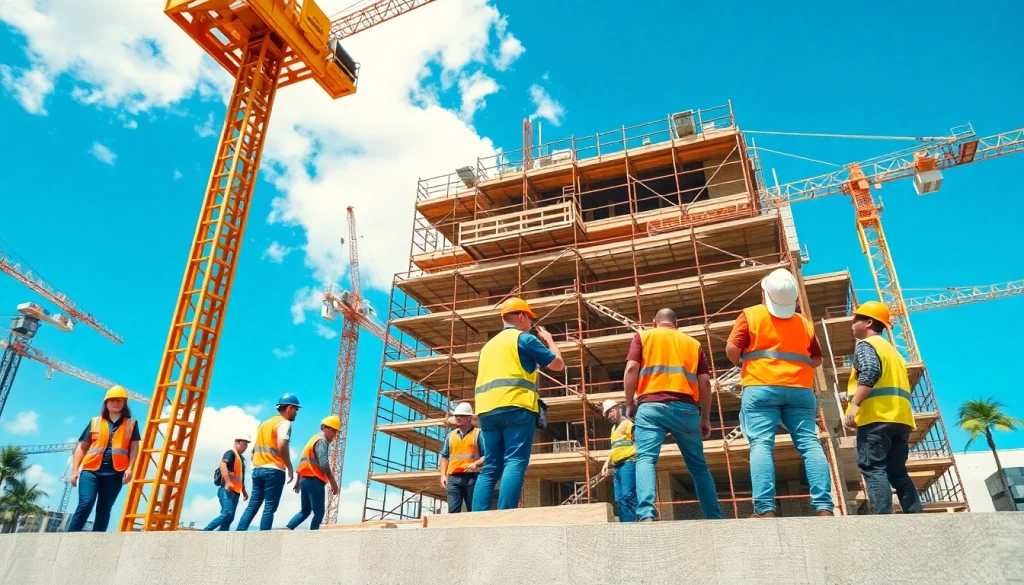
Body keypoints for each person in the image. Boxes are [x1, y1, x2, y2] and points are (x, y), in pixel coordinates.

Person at [726, 268, 834, 518]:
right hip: (800, 390)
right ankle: (824, 508)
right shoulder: (804, 323)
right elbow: (816, 359)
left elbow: (732, 349)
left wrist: (747, 363)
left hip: (760, 386)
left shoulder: (751, 315)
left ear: (765, 293)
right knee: (809, 443)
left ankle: (765, 510)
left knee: (761, 445)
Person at [625, 308, 722, 521]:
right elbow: (705, 382)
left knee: (646, 460)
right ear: (676, 324)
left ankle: (646, 515)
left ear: (654, 322)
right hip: (686, 410)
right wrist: (705, 417)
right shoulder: (692, 344)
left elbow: (632, 368)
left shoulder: (643, 336)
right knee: (698, 466)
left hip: (650, 408)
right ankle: (714, 518)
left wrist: (629, 402)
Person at [472, 297, 564, 512]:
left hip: (486, 410)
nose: (531, 324)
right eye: (530, 319)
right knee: (515, 461)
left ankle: (476, 516)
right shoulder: (524, 339)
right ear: (521, 317)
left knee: (492, 465)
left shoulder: (487, 346)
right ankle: (505, 515)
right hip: (516, 406)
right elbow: (558, 365)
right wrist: (549, 339)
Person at [844, 301, 922, 514]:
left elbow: (869, 373)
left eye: (855, 320)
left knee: (873, 468)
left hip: (876, 417)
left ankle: (883, 521)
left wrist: (854, 404)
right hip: (901, 419)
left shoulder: (867, 345)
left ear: (868, 322)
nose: (852, 325)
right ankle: (916, 516)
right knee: (897, 472)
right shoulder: (894, 352)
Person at [67, 386, 141, 532]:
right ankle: (69, 537)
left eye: (120, 401)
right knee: (86, 503)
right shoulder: (95, 422)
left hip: (115, 472)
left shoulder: (131, 424)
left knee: (104, 508)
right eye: (112, 400)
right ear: (106, 403)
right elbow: (81, 448)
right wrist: (75, 470)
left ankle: (97, 543)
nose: (116, 403)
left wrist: (130, 468)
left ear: (124, 403)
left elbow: (134, 447)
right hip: (91, 471)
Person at [236, 393, 299, 530]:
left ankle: (239, 533)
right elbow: (282, 444)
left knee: (253, 504)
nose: (296, 413)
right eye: (295, 409)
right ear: (289, 408)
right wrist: (289, 466)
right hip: (274, 470)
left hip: (257, 469)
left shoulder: (264, 424)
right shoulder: (284, 423)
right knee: (270, 507)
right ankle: (264, 539)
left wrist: (255, 465)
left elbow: (254, 450)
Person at [287, 415, 341, 530]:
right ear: (325, 428)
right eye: (333, 431)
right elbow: (324, 465)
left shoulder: (312, 439)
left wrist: (298, 483)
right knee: (319, 513)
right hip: (314, 480)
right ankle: (313, 538)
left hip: (305, 480)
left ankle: (287, 530)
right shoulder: (322, 441)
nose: (335, 434)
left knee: (305, 511)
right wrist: (333, 482)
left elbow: (303, 463)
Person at [440, 402, 485, 513]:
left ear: (469, 418)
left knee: (474, 511)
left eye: (461, 415)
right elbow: (444, 456)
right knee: (453, 513)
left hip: (472, 477)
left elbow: (487, 455)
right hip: (453, 478)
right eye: (456, 416)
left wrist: (476, 464)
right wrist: (442, 475)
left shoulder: (478, 434)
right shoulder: (451, 435)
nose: (458, 418)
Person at [204, 433, 251, 531]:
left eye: (247, 444)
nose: (246, 446)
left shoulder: (241, 459)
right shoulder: (230, 453)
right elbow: (223, 465)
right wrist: (228, 482)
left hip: (236, 491)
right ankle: (206, 531)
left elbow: (240, 476)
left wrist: (244, 490)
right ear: (237, 442)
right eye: (244, 443)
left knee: (230, 518)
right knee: (227, 513)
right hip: (226, 489)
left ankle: (221, 535)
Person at [600, 399, 637, 522]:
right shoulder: (613, 429)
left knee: (628, 496)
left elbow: (638, 441)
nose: (608, 417)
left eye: (609, 413)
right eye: (606, 415)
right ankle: (625, 526)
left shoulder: (628, 424)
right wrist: (606, 463)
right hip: (617, 467)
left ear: (616, 408)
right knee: (619, 499)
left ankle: (631, 526)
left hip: (628, 463)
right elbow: (614, 448)